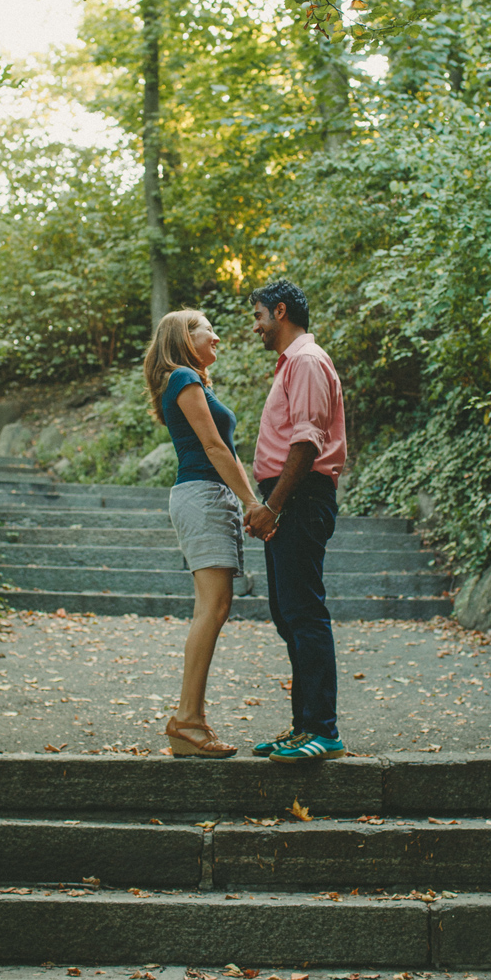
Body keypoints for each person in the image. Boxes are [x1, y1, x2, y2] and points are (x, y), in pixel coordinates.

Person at [144, 308, 266, 758]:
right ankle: (187, 720)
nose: (217, 337)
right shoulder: (182, 379)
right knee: (211, 608)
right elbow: (214, 447)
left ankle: (189, 720)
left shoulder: (190, 381)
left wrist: (250, 502)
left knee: (214, 607)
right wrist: (253, 504)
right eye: (207, 330)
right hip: (201, 493)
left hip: (211, 494)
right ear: (183, 336)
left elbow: (226, 450)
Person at [243, 278, 347, 763]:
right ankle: (303, 725)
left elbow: (306, 443)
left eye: (259, 317)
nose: (256, 328)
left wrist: (274, 506)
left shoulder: (305, 361)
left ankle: (323, 731)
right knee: (288, 614)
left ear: (280, 312)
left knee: (303, 612)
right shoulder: (295, 362)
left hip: (300, 497)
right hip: (290, 497)